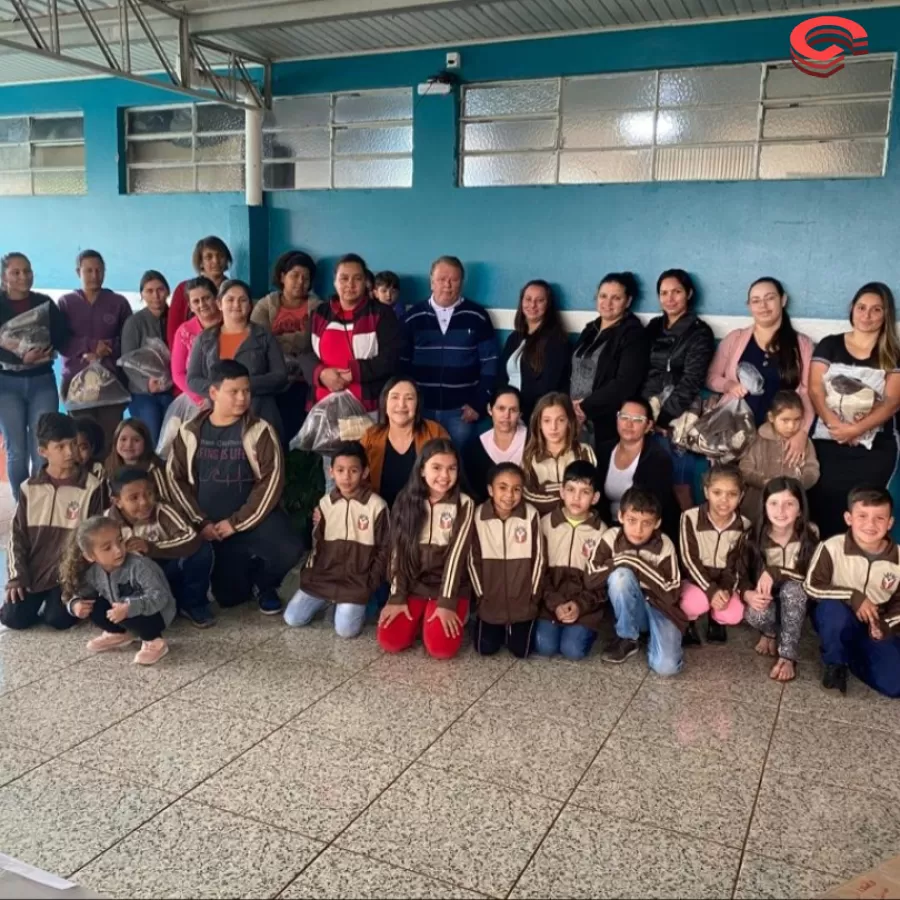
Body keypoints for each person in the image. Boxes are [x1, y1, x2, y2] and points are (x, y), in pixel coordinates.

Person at [167, 360, 303, 616]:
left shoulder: (260, 430)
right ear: (214, 393)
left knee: (290, 549)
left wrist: (236, 523)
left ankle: (265, 584)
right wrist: (201, 522)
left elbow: (271, 481)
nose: (242, 398)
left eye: (246, 391)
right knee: (230, 598)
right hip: (210, 525)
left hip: (252, 518)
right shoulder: (189, 432)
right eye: (234, 392)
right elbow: (176, 480)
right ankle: (244, 575)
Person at [808, 283, 900, 539]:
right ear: (852, 309)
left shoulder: (893, 353)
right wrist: (835, 426)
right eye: (861, 308)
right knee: (821, 507)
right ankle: (820, 571)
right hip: (828, 443)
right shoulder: (830, 345)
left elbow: (893, 400)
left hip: (874, 450)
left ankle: (856, 571)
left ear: (886, 314)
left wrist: (856, 429)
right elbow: (815, 389)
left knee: (865, 511)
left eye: (876, 310)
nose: (867, 315)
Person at [1, 413, 103, 630]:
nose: (69, 452)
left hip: (69, 576)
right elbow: (16, 537)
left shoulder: (92, 487)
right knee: (13, 618)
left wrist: (75, 580)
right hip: (34, 572)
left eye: (73, 444)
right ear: (43, 451)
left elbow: (94, 538)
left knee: (58, 619)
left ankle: (56, 604)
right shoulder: (29, 488)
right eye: (60, 446)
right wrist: (17, 576)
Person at [377, 438, 475, 660]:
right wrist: (397, 597)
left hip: (449, 588)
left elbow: (456, 557)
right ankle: (421, 617)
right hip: (415, 586)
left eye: (452, 468)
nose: (444, 476)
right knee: (390, 640)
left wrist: (446, 603)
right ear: (422, 470)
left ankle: (444, 614)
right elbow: (397, 551)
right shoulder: (405, 500)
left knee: (442, 650)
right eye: (436, 468)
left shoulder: (465, 504)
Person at [284, 442, 389, 637]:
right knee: (293, 618)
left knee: (345, 631)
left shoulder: (376, 506)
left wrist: (370, 582)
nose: (346, 477)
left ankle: (359, 604)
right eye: (340, 470)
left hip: (356, 582)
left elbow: (385, 549)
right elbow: (317, 545)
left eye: (353, 470)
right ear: (331, 472)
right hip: (325, 577)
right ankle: (328, 599)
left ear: (365, 472)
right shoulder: (325, 504)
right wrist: (311, 574)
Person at [806, 486, 900, 698]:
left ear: (890, 523)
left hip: (877, 624)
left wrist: (886, 624)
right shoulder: (832, 547)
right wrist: (853, 596)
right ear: (849, 518)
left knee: (895, 685)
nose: (870, 524)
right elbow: (811, 586)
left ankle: (853, 655)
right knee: (832, 612)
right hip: (839, 614)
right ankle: (835, 663)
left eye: (879, 518)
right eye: (862, 516)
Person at [401, 256, 498, 450]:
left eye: (454, 279)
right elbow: (402, 363)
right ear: (431, 282)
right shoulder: (413, 317)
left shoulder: (477, 316)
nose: (447, 285)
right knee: (423, 465)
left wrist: (478, 403)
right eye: (441, 278)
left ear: (462, 283)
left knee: (457, 466)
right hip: (421, 409)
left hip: (461, 412)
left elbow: (491, 363)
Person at [641, 269, 715, 509]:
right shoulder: (652, 327)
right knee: (645, 482)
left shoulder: (699, 332)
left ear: (689, 294)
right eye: (664, 293)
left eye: (677, 292)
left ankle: (686, 535)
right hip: (644, 409)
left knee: (679, 484)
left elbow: (692, 380)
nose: (670, 299)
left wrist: (662, 418)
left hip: (676, 415)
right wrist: (641, 412)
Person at [589, 487, 684, 674]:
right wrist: (623, 563)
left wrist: (632, 561)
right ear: (621, 516)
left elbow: (672, 593)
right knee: (621, 576)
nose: (638, 530)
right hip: (632, 610)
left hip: (660, 609)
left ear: (657, 523)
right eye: (632, 520)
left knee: (666, 668)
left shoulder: (664, 544)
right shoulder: (610, 538)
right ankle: (628, 638)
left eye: (646, 523)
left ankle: (655, 637)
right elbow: (591, 578)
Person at [0, 252, 71, 499]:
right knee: (16, 450)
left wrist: (48, 349)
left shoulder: (45, 303)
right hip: (6, 385)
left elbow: (62, 337)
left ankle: (41, 501)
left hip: (42, 381)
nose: (23, 277)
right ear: (4, 277)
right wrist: (17, 356)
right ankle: (22, 505)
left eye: (27, 271)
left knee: (43, 446)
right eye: (16, 272)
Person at [107, 467, 215, 628]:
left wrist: (152, 548)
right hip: (138, 582)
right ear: (118, 502)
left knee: (202, 550)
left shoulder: (162, 510)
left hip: (168, 569)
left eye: (149, 494)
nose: (144, 502)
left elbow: (191, 538)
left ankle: (193, 604)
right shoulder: (108, 523)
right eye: (133, 498)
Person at [707, 276, 813, 439]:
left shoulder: (802, 344)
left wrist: (802, 433)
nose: (763, 306)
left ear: (783, 300)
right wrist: (728, 384)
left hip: (782, 435)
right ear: (749, 306)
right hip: (735, 432)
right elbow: (711, 377)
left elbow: (807, 392)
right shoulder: (735, 339)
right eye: (756, 301)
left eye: (770, 298)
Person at [300, 253, 403, 419]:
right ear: (335, 282)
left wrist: (354, 373)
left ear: (366, 283)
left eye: (357, 278)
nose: (350, 284)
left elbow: (390, 359)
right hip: (322, 406)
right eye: (344, 278)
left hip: (368, 408)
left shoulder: (381, 314)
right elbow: (305, 354)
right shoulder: (320, 313)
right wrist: (321, 374)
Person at [61, 516, 174, 665]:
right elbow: (81, 593)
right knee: (92, 604)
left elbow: (160, 597)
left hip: (157, 614)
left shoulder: (140, 566)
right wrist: (75, 604)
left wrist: (130, 607)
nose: (118, 549)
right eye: (107, 548)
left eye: (120, 540)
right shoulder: (93, 573)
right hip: (122, 613)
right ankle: (119, 633)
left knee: (131, 609)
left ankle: (154, 641)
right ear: (90, 556)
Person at [187, 278, 287, 436]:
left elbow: (280, 376)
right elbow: (192, 379)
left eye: (242, 300)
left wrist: (244, 388)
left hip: (260, 412)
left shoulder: (264, 336)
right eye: (230, 299)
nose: (236, 305)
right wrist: (223, 391)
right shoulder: (205, 338)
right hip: (219, 416)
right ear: (219, 304)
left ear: (250, 306)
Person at [741, 477, 818, 683]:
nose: (781, 511)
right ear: (764, 507)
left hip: (797, 602)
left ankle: (787, 656)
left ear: (800, 509)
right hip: (768, 602)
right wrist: (747, 594)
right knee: (756, 614)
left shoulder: (810, 534)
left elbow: (813, 578)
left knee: (794, 590)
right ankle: (770, 632)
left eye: (789, 504)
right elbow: (740, 574)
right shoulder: (752, 536)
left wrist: (775, 571)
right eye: (774, 503)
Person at [58, 249, 133, 455]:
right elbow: (61, 341)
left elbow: (129, 341)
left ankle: (108, 482)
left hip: (110, 382)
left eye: (99, 270)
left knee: (110, 439)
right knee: (82, 440)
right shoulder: (66, 303)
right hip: (76, 383)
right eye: (88, 270)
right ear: (78, 272)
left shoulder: (118, 303)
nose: (94, 275)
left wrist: (105, 349)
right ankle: (86, 484)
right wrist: (89, 346)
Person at [467, 462, 545, 658]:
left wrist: (533, 598)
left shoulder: (531, 515)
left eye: (516, 489)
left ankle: (513, 626)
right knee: (485, 649)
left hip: (523, 603)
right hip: (490, 602)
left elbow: (539, 560)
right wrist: (481, 596)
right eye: (502, 487)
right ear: (490, 490)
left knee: (522, 651)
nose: (509, 495)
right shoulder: (478, 516)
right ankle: (497, 626)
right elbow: (472, 560)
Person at [534, 460, 607, 661]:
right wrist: (555, 604)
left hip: (584, 607)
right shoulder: (546, 524)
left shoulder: (602, 532)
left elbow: (601, 584)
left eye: (585, 492)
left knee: (572, 650)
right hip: (549, 604)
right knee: (544, 646)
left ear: (595, 498)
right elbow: (537, 573)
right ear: (561, 492)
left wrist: (579, 605)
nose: (576, 497)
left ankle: (582, 630)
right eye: (571, 489)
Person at [251, 250, 320, 449]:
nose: (300, 282)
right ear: (282, 276)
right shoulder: (265, 305)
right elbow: (260, 341)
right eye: (294, 275)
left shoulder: (317, 307)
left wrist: (281, 343)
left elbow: (314, 344)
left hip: (303, 379)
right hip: (271, 376)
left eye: (305, 278)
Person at [571, 271, 650, 446]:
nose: (607, 303)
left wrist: (585, 408)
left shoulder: (633, 334)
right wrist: (569, 407)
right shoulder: (590, 329)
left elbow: (625, 383)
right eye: (603, 296)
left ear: (628, 301)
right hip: (573, 417)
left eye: (616, 298)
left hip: (601, 422)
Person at [679, 464, 750, 645]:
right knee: (691, 603)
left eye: (732, 494)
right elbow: (689, 560)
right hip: (695, 579)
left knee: (734, 613)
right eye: (717, 492)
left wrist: (725, 591)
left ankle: (716, 621)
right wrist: (711, 590)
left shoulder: (745, 526)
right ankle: (690, 621)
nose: (724, 500)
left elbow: (738, 565)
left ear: (741, 496)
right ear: (706, 492)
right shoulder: (690, 517)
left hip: (724, 580)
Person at [594, 398, 679, 539]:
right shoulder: (604, 450)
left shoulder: (658, 459)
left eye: (637, 419)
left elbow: (655, 509)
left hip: (643, 533)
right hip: (608, 529)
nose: (628, 424)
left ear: (648, 425)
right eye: (624, 417)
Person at [360, 377, 448, 508]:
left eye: (409, 398)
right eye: (395, 397)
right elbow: (355, 478)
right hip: (381, 517)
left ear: (418, 403)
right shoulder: (371, 436)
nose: (401, 405)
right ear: (384, 402)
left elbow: (449, 476)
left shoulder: (434, 432)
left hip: (425, 514)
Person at [739, 390, 820, 524]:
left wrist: (795, 485)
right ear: (771, 417)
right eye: (785, 420)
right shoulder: (758, 439)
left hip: (790, 511)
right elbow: (744, 469)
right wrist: (764, 481)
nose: (791, 426)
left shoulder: (805, 443)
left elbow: (812, 470)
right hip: (756, 508)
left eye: (797, 420)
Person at [496, 279, 571, 422]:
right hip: (509, 414)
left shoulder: (557, 341)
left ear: (548, 304)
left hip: (533, 415)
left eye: (540, 300)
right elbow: (501, 377)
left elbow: (548, 387)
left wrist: (520, 411)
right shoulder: (514, 337)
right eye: (528, 299)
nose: (532, 305)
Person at [120, 270, 173, 445]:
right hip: (142, 392)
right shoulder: (134, 322)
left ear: (167, 291)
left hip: (172, 388)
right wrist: (146, 384)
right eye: (149, 291)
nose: (156, 295)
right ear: (142, 294)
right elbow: (127, 362)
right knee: (151, 433)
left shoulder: (175, 317)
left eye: (160, 289)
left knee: (173, 435)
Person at [523, 393, 596, 514]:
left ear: (569, 422)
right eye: (547, 421)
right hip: (544, 525)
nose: (553, 427)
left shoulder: (583, 452)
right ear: (539, 424)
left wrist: (546, 489)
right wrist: (569, 496)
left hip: (580, 523)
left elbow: (590, 491)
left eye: (560, 420)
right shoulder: (530, 457)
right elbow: (528, 497)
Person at [462, 385, 527, 504]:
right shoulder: (474, 447)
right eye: (501, 408)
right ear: (490, 409)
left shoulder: (532, 442)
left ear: (520, 414)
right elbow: (474, 491)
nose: (506, 416)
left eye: (512, 410)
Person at [166, 236, 232, 346]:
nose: (215, 261)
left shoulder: (233, 290)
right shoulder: (183, 289)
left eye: (220, 255)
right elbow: (173, 332)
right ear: (200, 262)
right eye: (209, 257)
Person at [171, 276, 221, 405]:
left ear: (216, 298)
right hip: (197, 396)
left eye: (206, 298)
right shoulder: (184, 331)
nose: (202, 304)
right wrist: (198, 398)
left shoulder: (230, 323)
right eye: (196, 301)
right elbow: (178, 373)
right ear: (190, 307)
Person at [105, 418, 174, 507]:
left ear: (146, 443)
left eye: (136, 440)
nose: (129, 444)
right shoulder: (108, 469)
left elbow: (166, 501)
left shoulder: (156, 471)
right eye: (123, 439)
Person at [74, 416, 106, 480]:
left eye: (83, 448)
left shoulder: (101, 471)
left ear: (92, 448)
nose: (76, 454)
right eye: (71, 447)